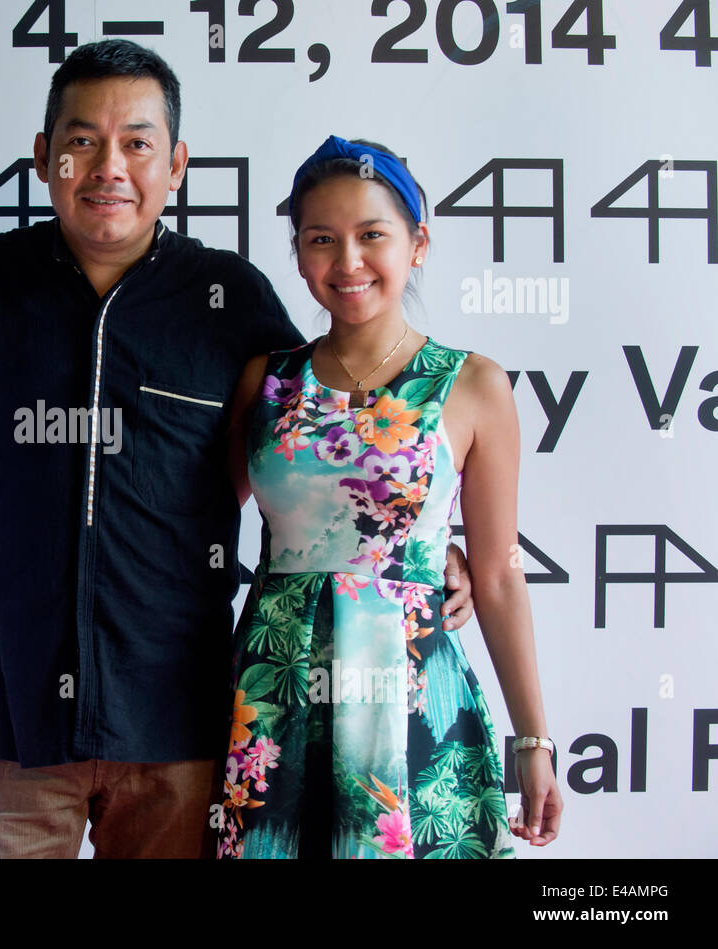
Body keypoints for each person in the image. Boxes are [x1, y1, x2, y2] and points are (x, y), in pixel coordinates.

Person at [0, 42, 477, 859]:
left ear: (176, 163)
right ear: (44, 158)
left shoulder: (229, 301)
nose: (108, 167)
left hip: (177, 721)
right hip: (7, 718)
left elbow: (326, 447)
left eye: (138, 143)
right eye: (81, 142)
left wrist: (423, 547)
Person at [215, 136, 562, 858]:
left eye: (372, 235)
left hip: (412, 694)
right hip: (278, 694)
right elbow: (196, 525)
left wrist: (533, 737)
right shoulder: (265, 381)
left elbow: (496, 574)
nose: (347, 262)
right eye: (321, 240)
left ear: (418, 243)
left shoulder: (472, 384)